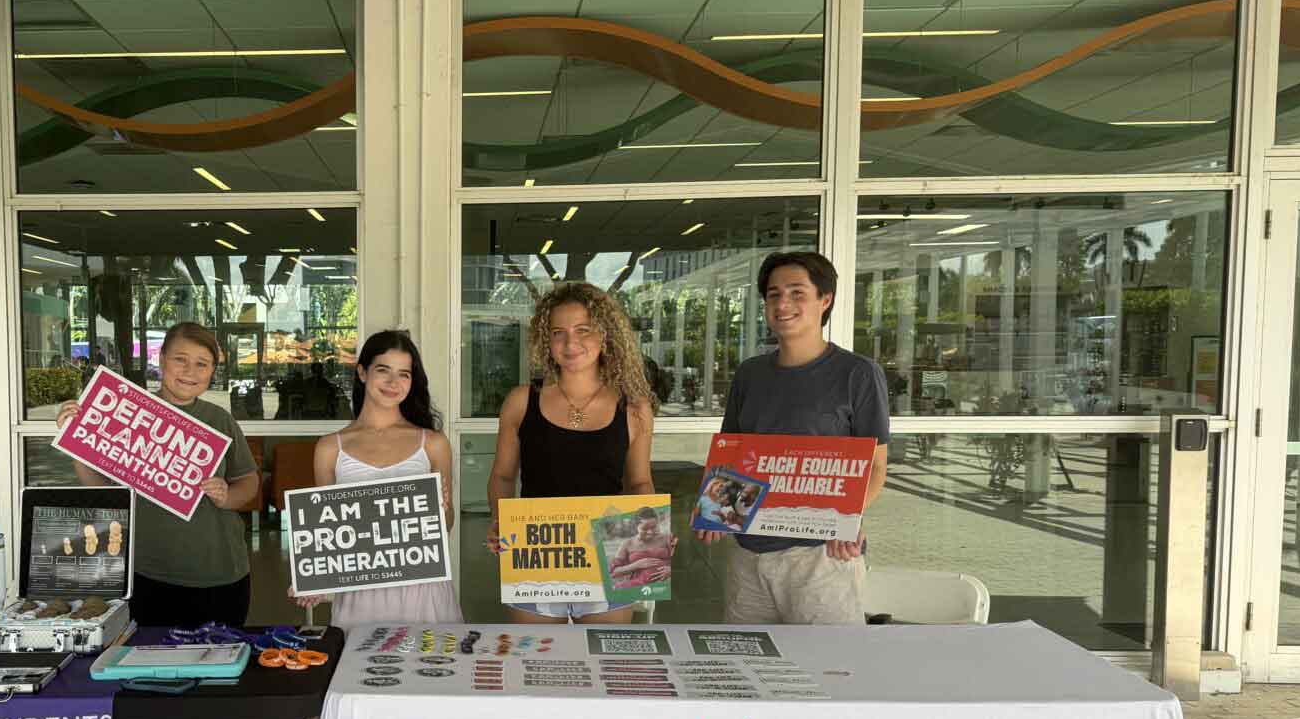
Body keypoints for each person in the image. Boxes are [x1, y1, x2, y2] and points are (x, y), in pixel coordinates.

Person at [696, 251, 889, 625]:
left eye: (797, 293)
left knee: (827, 660)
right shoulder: (750, 374)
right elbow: (732, 457)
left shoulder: (858, 374)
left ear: (825, 300)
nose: (782, 304)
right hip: (748, 555)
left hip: (821, 557)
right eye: (774, 294)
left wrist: (846, 521)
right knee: (749, 657)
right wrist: (714, 513)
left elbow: (876, 468)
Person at [486, 282, 670, 624]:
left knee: (604, 657)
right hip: (535, 556)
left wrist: (654, 528)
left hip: (610, 555)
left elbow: (640, 482)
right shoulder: (521, 401)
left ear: (605, 335)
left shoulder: (634, 408)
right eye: (558, 333)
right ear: (547, 341)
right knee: (536, 657)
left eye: (583, 330)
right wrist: (500, 521)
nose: (570, 343)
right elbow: (502, 476)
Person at [57, 322, 261, 626]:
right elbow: (103, 490)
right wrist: (76, 441)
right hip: (146, 573)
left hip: (219, 574)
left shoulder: (220, 420)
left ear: (212, 371)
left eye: (202, 363)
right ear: (161, 359)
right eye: (180, 359)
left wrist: (227, 496)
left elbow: (249, 481)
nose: (190, 371)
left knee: (219, 655)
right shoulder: (125, 412)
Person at [297, 330, 461, 625]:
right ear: (362, 372)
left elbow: (445, 525)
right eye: (383, 370)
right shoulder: (329, 448)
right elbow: (327, 533)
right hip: (360, 594)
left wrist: (441, 510)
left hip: (423, 589)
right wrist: (312, 578)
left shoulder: (434, 443)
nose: (393, 382)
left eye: (404, 374)